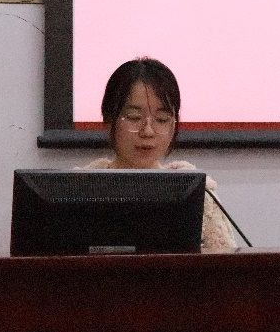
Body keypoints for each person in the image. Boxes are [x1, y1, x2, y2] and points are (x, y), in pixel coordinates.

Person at [80, 57, 237, 249]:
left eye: (161, 119)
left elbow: (223, 262)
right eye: (134, 117)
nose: (147, 131)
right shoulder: (77, 189)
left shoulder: (198, 192)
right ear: (109, 119)